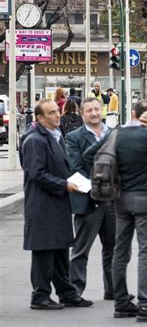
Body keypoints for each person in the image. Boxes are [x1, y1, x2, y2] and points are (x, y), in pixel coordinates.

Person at [83, 100, 147, 322]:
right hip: (146, 198)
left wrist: (115, 173)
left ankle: (121, 302)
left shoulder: (116, 134)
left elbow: (90, 154)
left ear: (132, 113)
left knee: (120, 250)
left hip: (120, 198)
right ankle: (146, 305)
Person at [20, 99, 93, 310]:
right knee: (44, 251)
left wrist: (75, 181)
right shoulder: (34, 140)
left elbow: (62, 167)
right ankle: (40, 295)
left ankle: (67, 293)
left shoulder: (56, 135)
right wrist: (65, 185)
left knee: (61, 249)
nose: (57, 115)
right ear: (40, 118)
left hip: (58, 201)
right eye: (51, 113)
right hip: (42, 204)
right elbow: (36, 174)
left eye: (56, 111)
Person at [65, 97, 117, 300]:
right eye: (89, 110)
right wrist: (96, 189)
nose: (94, 113)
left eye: (97, 109)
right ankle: (75, 291)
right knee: (80, 249)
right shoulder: (73, 137)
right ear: (82, 114)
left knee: (112, 248)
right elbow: (75, 167)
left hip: (112, 201)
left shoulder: (114, 134)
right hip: (88, 200)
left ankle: (113, 290)